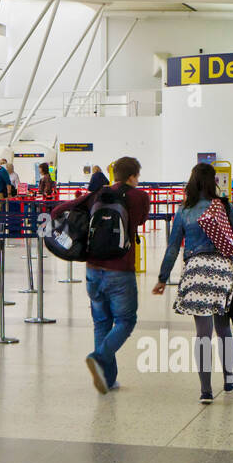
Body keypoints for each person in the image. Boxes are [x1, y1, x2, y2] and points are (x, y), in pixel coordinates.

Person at [52, 156, 149, 395]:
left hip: (93, 269)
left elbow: (58, 211)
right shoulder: (139, 196)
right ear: (133, 176)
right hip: (120, 269)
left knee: (102, 322)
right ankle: (99, 357)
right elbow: (141, 220)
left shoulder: (96, 194)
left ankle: (107, 378)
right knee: (126, 320)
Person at [152, 162, 233, 404]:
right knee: (223, 328)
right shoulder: (224, 206)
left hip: (196, 271)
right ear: (213, 181)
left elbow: (173, 247)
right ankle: (229, 377)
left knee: (202, 333)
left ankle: (206, 390)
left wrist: (163, 277)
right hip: (223, 271)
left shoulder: (184, 210)